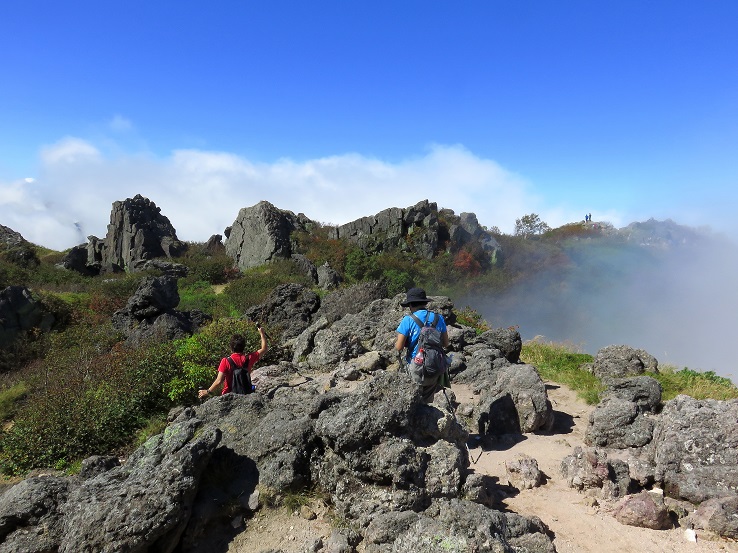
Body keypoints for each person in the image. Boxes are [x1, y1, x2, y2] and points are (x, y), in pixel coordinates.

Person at [394, 287, 449, 403]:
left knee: (412, 402)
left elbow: (398, 347)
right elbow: (445, 343)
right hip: (435, 365)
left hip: (416, 366)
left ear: (410, 304)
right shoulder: (439, 318)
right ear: (424, 303)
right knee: (427, 403)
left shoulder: (408, 320)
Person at [198, 324, 268, 398]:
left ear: (231, 347)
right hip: (246, 394)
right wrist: (262, 334)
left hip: (229, 396)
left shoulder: (225, 361)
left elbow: (219, 381)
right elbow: (264, 349)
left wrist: (207, 391)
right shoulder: (249, 358)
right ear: (243, 346)